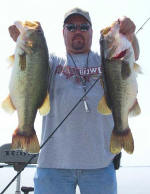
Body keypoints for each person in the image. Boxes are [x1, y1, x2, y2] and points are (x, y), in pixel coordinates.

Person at [9, 7, 139, 194]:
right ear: (63, 32)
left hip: (100, 164)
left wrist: (129, 30)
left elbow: (132, 54)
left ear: (92, 32)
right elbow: (31, 65)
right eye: (71, 27)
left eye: (84, 27)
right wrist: (19, 30)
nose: (77, 31)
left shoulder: (107, 59)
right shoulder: (51, 62)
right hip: (53, 165)